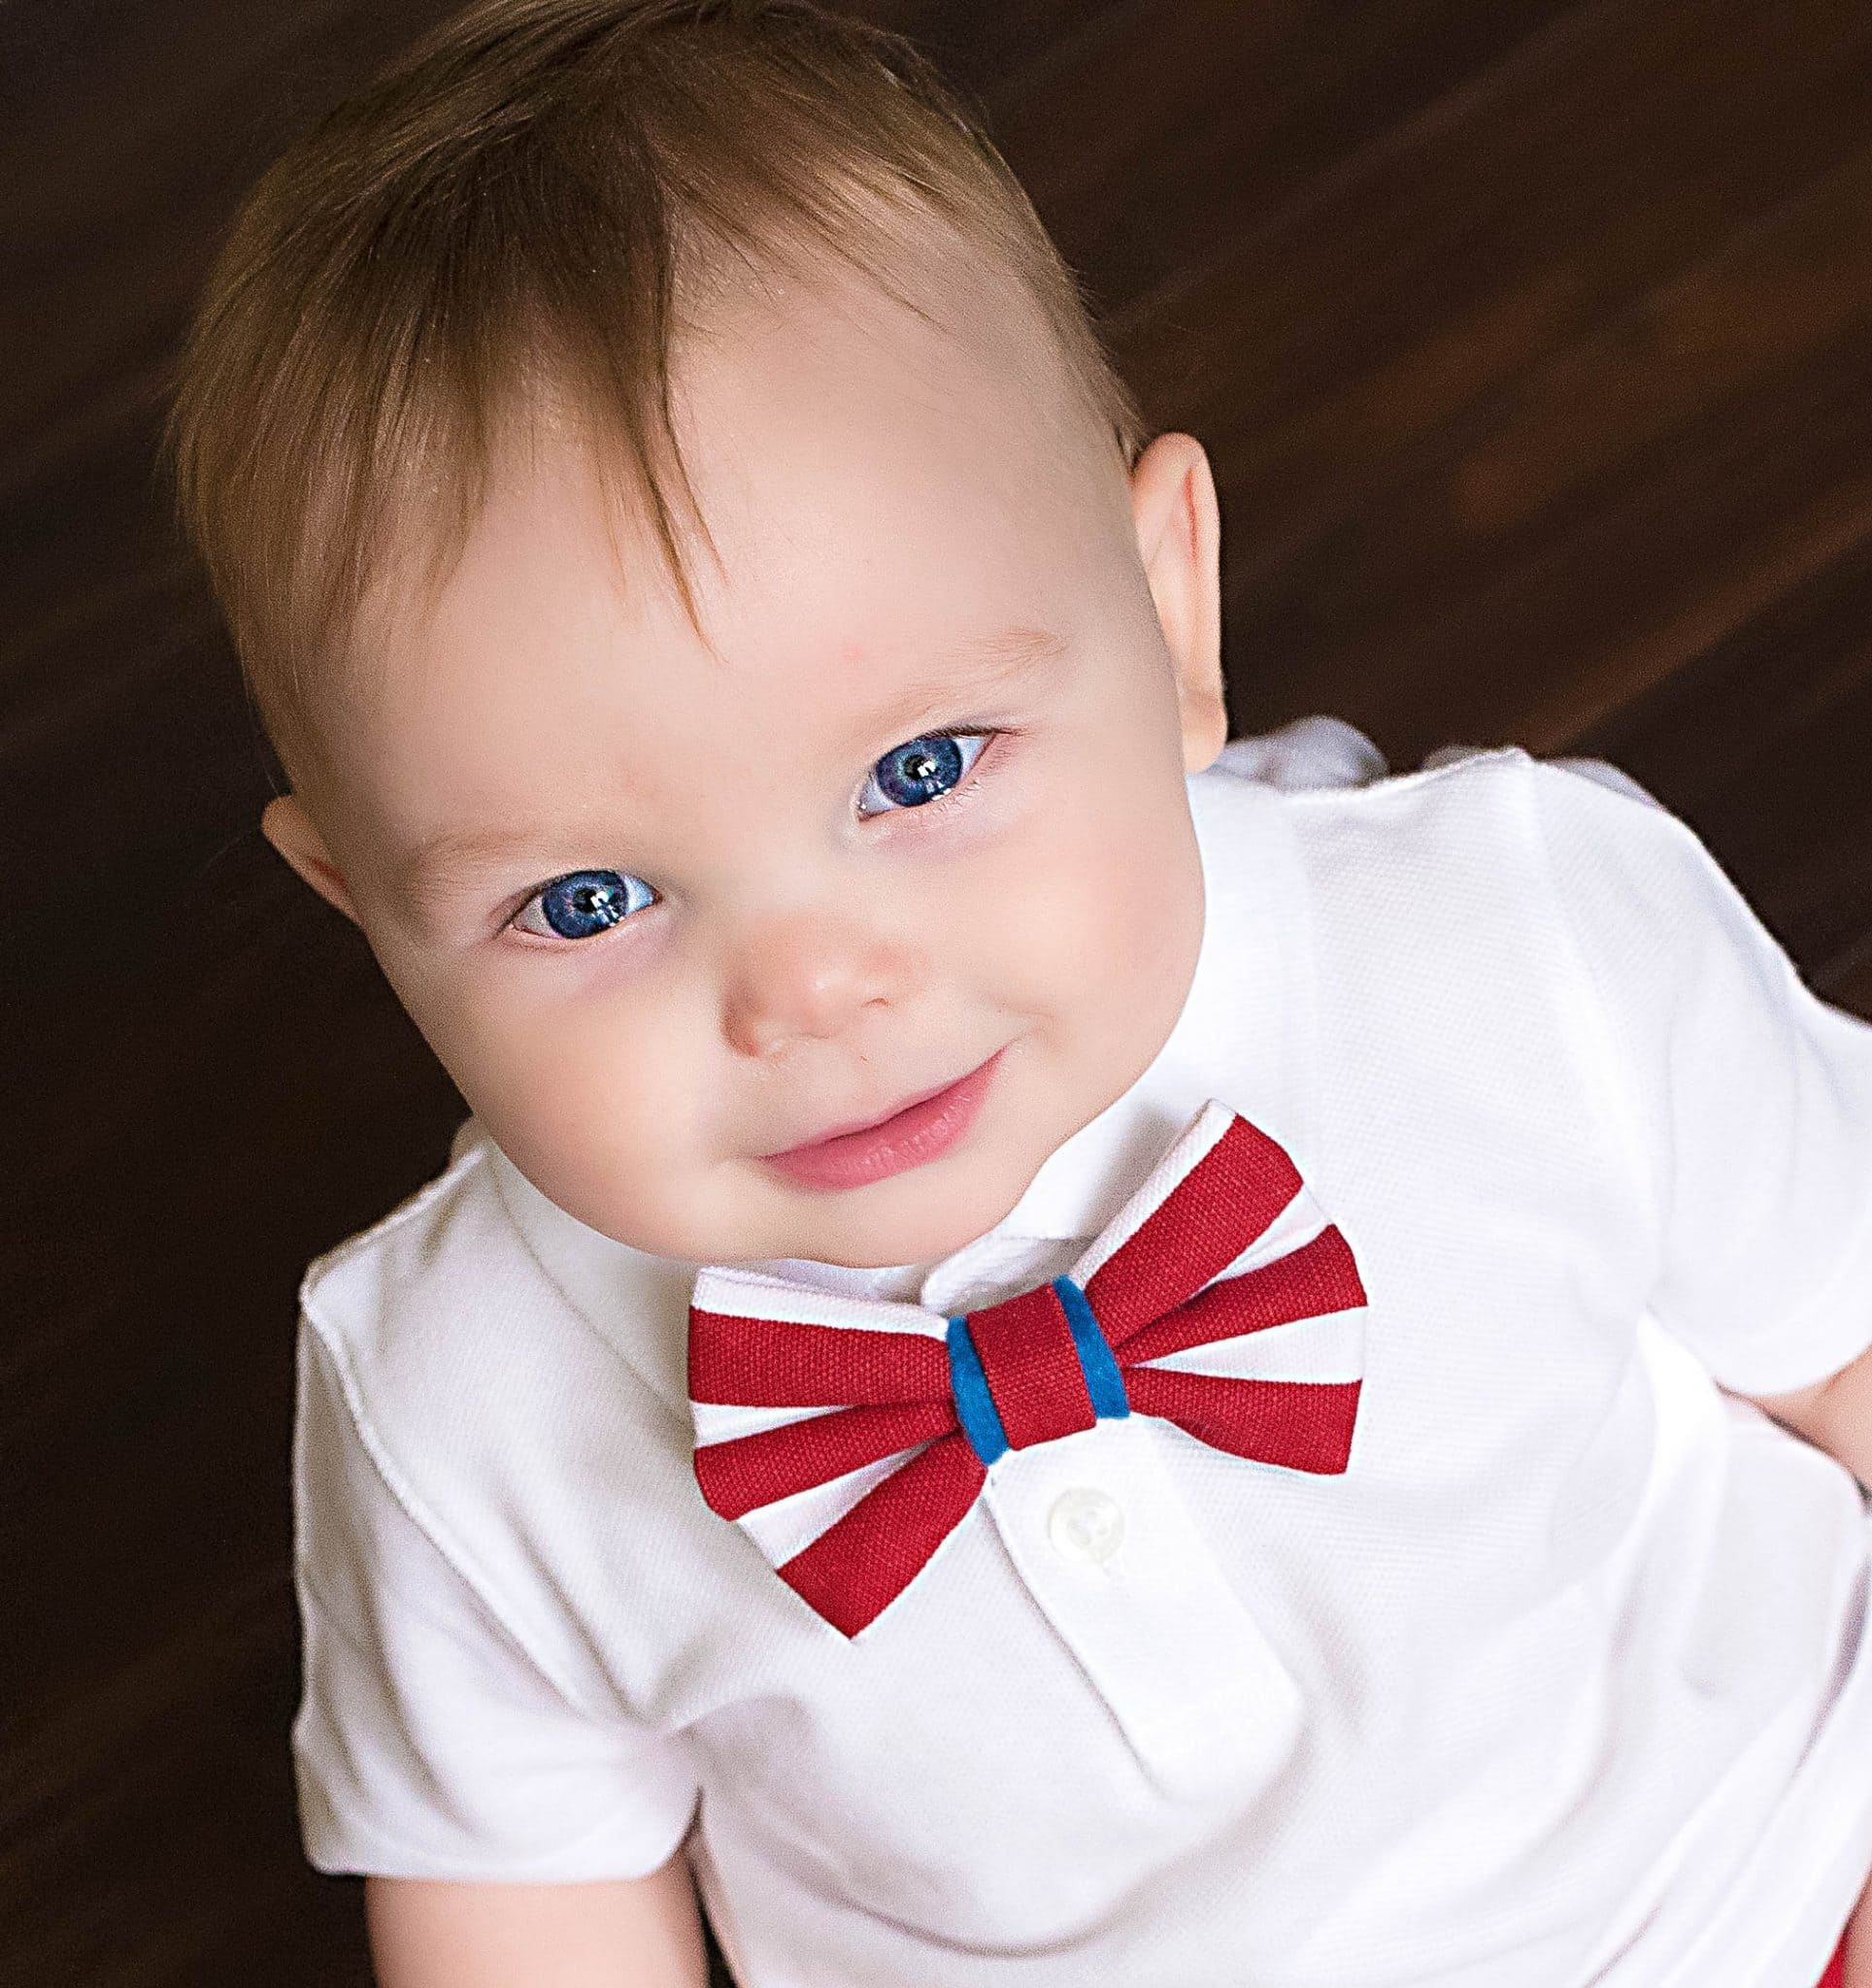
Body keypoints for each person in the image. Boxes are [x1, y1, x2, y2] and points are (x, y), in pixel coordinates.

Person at [161, 2, 1872, 1981]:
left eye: (920, 771)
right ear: (361, 902)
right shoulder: (456, 1396)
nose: (812, 986)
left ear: (1165, 615)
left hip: (1773, 1851)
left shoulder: (1519, 937)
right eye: (594, 895)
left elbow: (1844, 1328)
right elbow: (526, 1888)